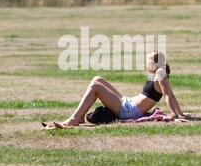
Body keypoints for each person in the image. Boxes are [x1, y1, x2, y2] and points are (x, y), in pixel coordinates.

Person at [53, 51, 189, 128]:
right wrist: (181, 113)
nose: (146, 64)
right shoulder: (159, 73)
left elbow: (168, 95)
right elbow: (171, 95)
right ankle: (80, 117)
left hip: (129, 111)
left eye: (147, 61)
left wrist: (175, 116)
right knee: (97, 79)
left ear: (154, 63)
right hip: (128, 103)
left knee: (95, 87)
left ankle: (74, 119)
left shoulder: (160, 72)